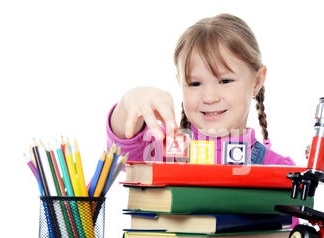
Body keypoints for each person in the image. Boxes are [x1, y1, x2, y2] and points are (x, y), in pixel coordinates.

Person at [107, 13, 294, 166]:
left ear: (257, 81)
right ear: (181, 83)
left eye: (225, 81)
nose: (210, 97)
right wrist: (128, 103)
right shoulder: (161, 148)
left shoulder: (278, 168)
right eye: (195, 84)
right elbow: (121, 149)